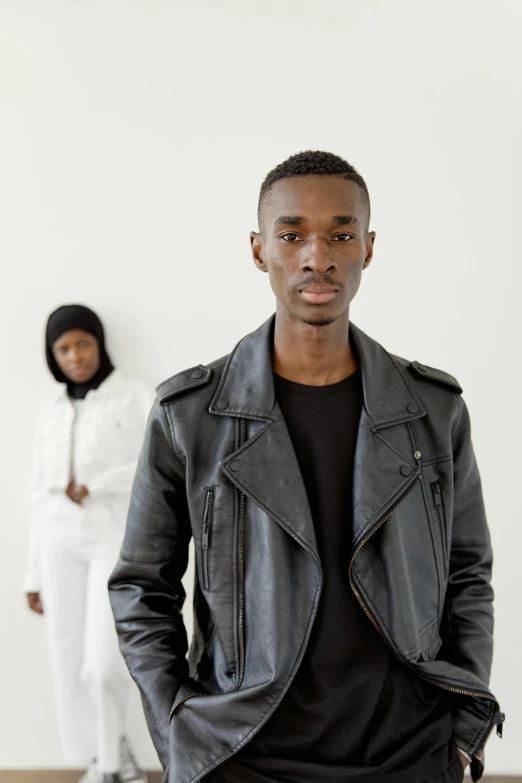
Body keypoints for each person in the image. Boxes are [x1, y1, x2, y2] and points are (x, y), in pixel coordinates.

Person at [108, 152, 504, 783]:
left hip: (408, 752)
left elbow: (468, 574)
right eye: (291, 235)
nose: (317, 257)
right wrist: (180, 729)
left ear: (368, 248)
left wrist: (458, 734)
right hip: (245, 755)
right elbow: (141, 587)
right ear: (259, 249)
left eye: (341, 235)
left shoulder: (432, 410)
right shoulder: (190, 417)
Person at [25, 304, 150, 783]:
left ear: (98, 343)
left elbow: (155, 466)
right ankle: (102, 760)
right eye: (63, 348)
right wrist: (31, 574)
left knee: (103, 660)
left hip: (111, 538)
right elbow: (39, 495)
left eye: (82, 344)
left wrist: (98, 484)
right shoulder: (52, 411)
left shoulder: (134, 396)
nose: (74, 356)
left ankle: (116, 764)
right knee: (69, 656)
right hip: (59, 540)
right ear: (51, 356)